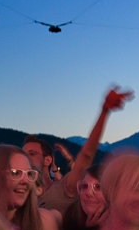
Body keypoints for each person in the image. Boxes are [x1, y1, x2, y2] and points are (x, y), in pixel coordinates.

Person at [39, 86, 133, 218]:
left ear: (47, 160)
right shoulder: (34, 192)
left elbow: (86, 156)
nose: (25, 157)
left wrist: (104, 111)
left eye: (31, 153)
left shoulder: (67, 187)